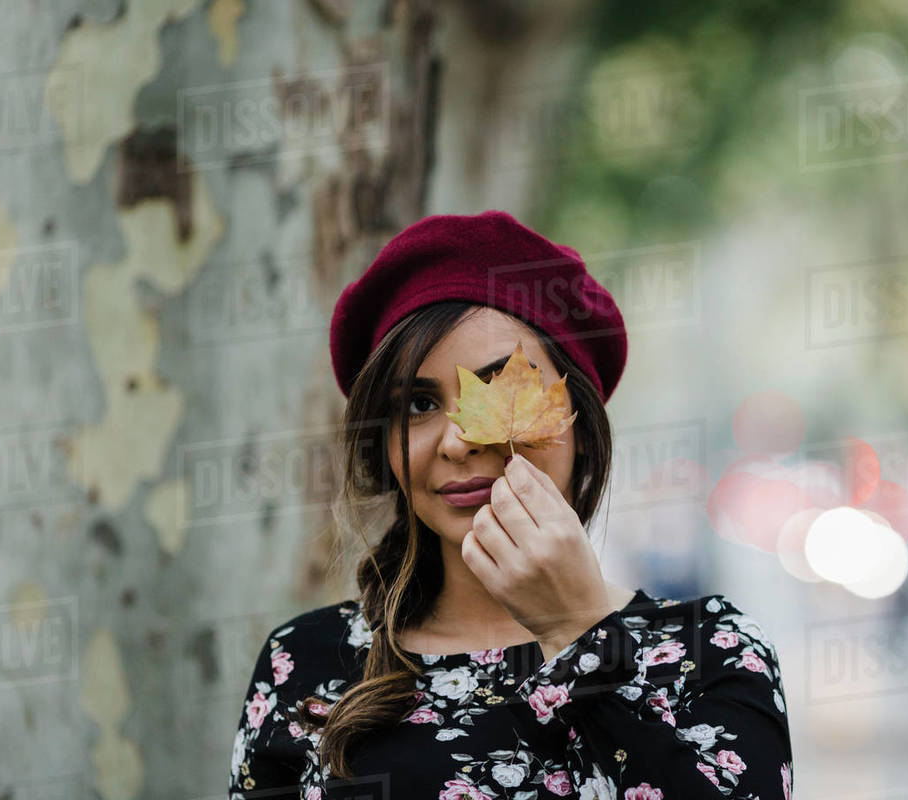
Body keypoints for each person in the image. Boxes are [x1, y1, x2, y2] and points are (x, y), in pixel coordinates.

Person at [227, 210, 794, 799]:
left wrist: (578, 635)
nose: (457, 439)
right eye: (418, 404)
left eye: (500, 388)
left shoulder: (710, 654)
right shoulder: (305, 663)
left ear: (580, 417)